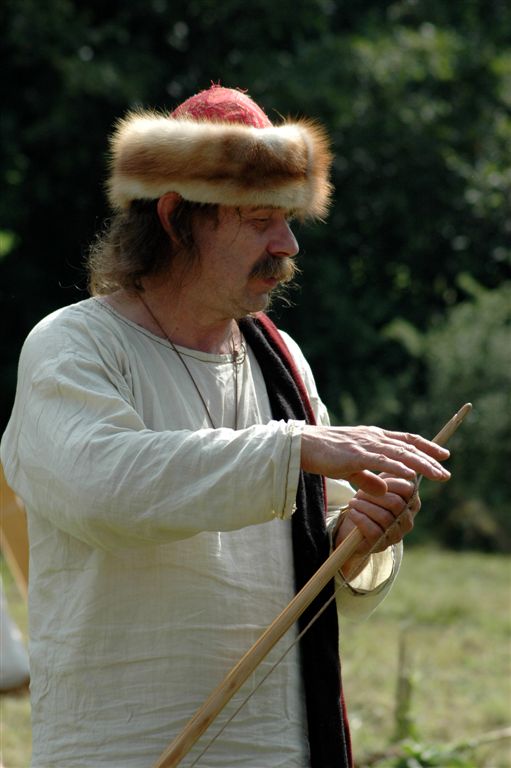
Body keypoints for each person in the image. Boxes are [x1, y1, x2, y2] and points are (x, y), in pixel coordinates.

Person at [0, 85, 450, 768]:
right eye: (261, 218)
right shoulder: (74, 346)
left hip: (277, 748)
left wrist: (358, 539)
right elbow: (104, 490)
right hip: (122, 748)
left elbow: (324, 576)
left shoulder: (283, 361)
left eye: (289, 218)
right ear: (176, 217)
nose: (287, 244)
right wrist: (294, 447)